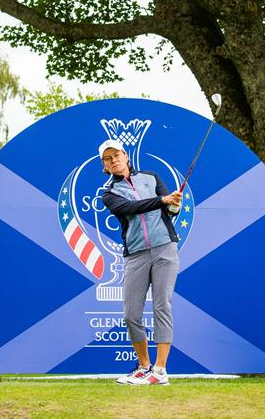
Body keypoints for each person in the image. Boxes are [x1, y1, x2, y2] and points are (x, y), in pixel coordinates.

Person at [98, 139, 182, 386]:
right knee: (131, 313)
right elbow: (131, 208)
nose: (114, 160)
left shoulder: (151, 177)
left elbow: (170, 211)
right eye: (108, 158)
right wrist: (163, 201)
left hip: (165, 248)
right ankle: (144, 366)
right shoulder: (109, 194)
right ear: (105, 166)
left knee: (161, 306)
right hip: (136, 254)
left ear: (125, 155)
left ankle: (160, 370)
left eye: (116, 155)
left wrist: (174, 203)